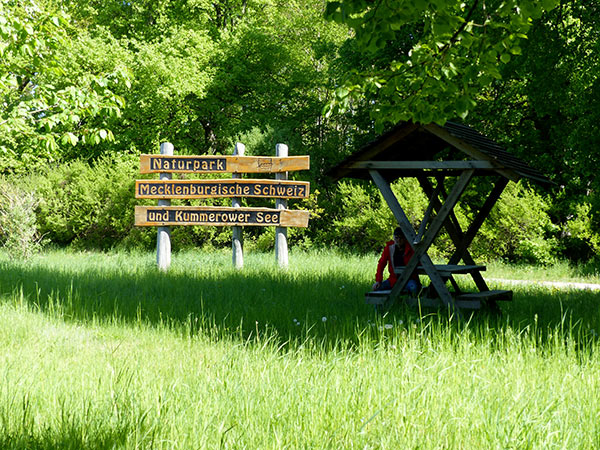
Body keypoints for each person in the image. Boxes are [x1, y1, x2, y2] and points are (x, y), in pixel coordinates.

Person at [373, 227, 420, 295]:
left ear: (405, 238)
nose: (398, 240)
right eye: (396, 237)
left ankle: (412, 305)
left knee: (414, 288)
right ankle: (381, 305)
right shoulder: (389, 248)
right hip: (393, 280)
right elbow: (381, 264)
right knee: (376, 288)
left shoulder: (411, 248)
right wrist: (378, 280)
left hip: (409, 279)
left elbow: (419, 263)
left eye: (401, 238)